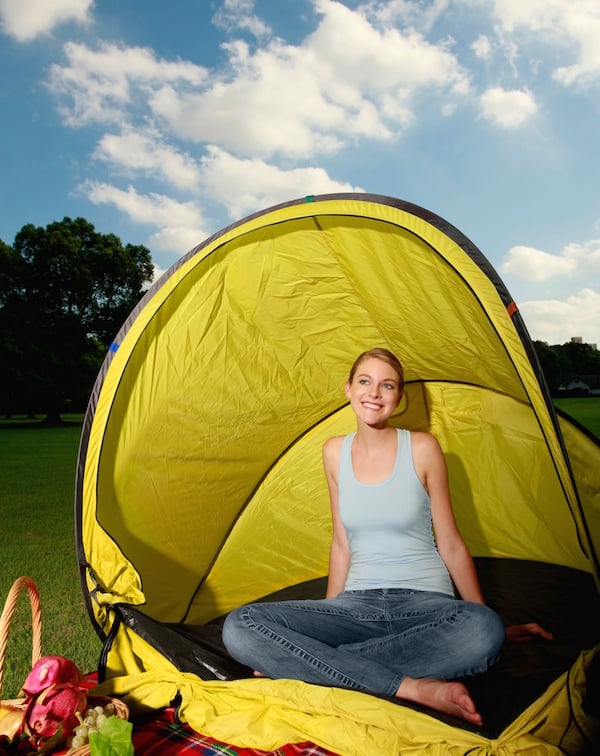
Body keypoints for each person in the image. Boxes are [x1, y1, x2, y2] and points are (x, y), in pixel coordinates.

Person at [222, 347, 552, 725]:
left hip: (426, 605)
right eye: (365, 381)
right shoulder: (333, 453)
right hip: (354, 608)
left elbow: (450, 542)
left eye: (387, 385)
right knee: (240, 626)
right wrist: (331, 612)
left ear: (398, 398)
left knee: (483, 631)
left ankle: (310, 666)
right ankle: (414, 687)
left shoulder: (423, 448)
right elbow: (341, 542)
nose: (374, 392)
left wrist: (487, 618)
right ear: (348, 388)